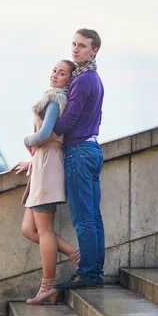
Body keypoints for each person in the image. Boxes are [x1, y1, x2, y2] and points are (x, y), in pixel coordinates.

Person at [10, 59, 80, 305]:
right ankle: (75, 254)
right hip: (43, 163)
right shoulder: (53, 98)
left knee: (45, 230)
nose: (55, 75)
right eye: (54, 70)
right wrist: (32, 159)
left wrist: (27, 140)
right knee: (28, 229)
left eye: (61, 73)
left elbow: (44, 134)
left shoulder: (55, 100)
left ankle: (48, 285)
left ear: (68, 80)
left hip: (48, 165)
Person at [52, 28, 105, 290]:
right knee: (94, 217)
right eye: (74, 44)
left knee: (83, 218)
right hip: (93, 149)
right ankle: (95, 271)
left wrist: (44, 136)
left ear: (93, 50)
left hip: (79, 153)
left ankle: (86, 274)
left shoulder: (82, 80)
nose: (75, 49)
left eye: (82, 46)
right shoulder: (94, 78)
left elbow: (69, 118)